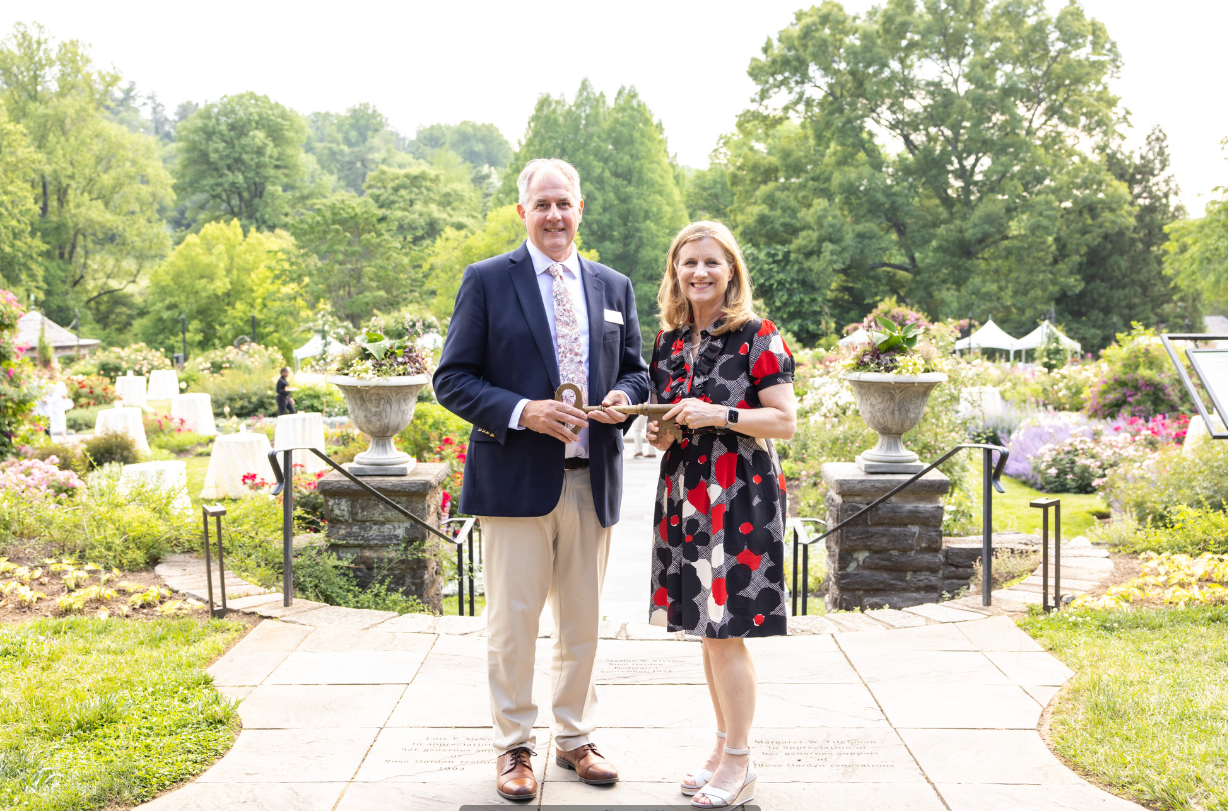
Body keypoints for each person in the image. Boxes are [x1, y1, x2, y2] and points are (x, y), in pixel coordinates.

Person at [433, 158, 650, 802]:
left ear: (581, 209)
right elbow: (452, 379)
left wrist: (621, 396)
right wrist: (523, 411)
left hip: (593, 480)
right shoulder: (487, 281)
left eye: (565, 204)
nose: (555, 215)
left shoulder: (614, 287)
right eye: (543, 204)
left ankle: (575, 739)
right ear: (522, 212)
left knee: (582, 623)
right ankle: (514, 747)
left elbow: (639, 373)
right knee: (514, 625)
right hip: (514, 483)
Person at [644, 221, 797, 809]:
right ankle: (721, 745)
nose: (700, 273)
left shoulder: (759, 335)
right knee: (707, 633)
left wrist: (718, 415)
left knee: (727, 632)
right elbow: (664, 438)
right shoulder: (669, 342)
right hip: (685, 495)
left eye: (712, 262)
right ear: (675, 272)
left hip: (741, 495)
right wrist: (656, 428)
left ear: (731, 269)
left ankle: (740, 760)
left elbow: (783, 421)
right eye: (689, 263)